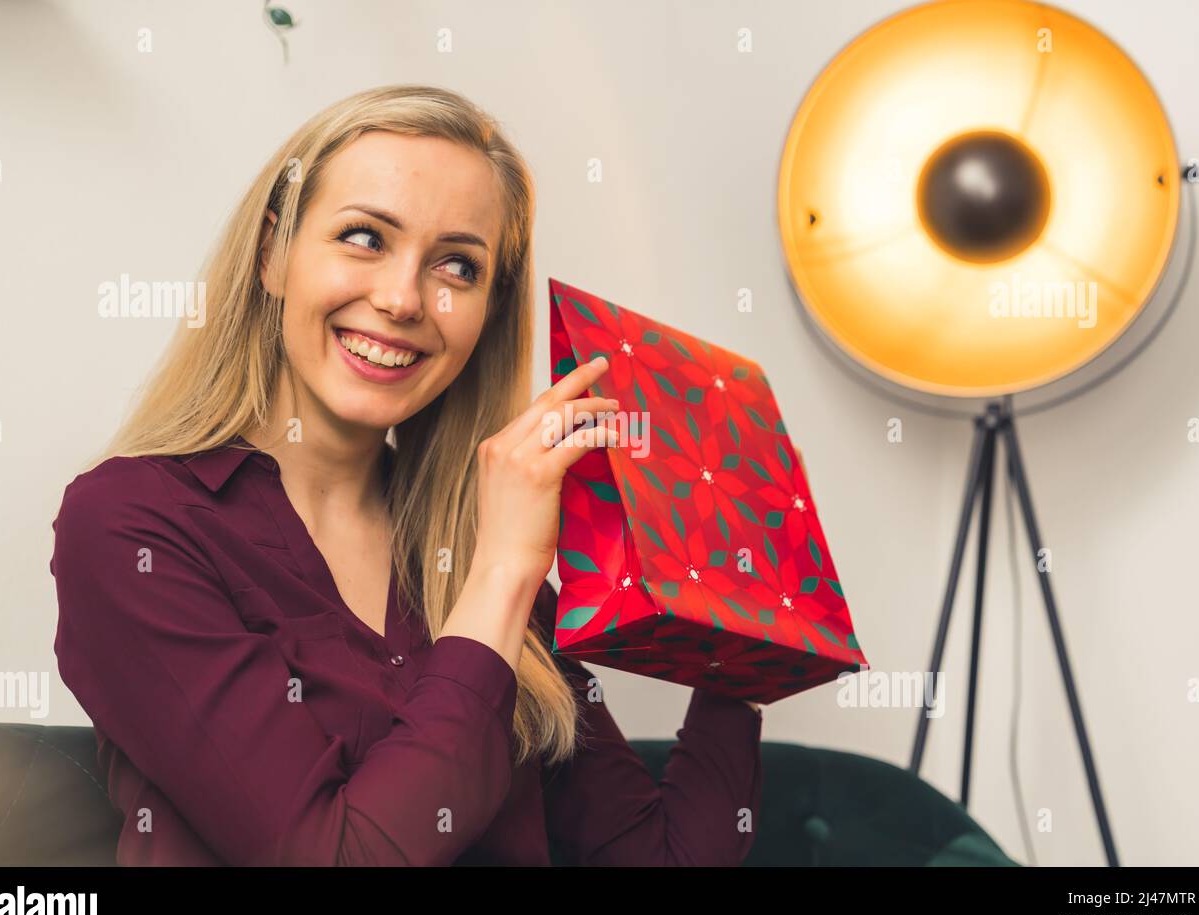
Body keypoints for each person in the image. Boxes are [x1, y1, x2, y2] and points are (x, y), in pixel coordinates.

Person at [50, 84, 762, 866]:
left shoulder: (480, 547)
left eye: (457, 265)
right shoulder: (132, 526)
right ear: (272, 255)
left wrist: (747, 627)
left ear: (488, 310)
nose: (401, 299)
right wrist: (502, 572)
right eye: (364, 237)